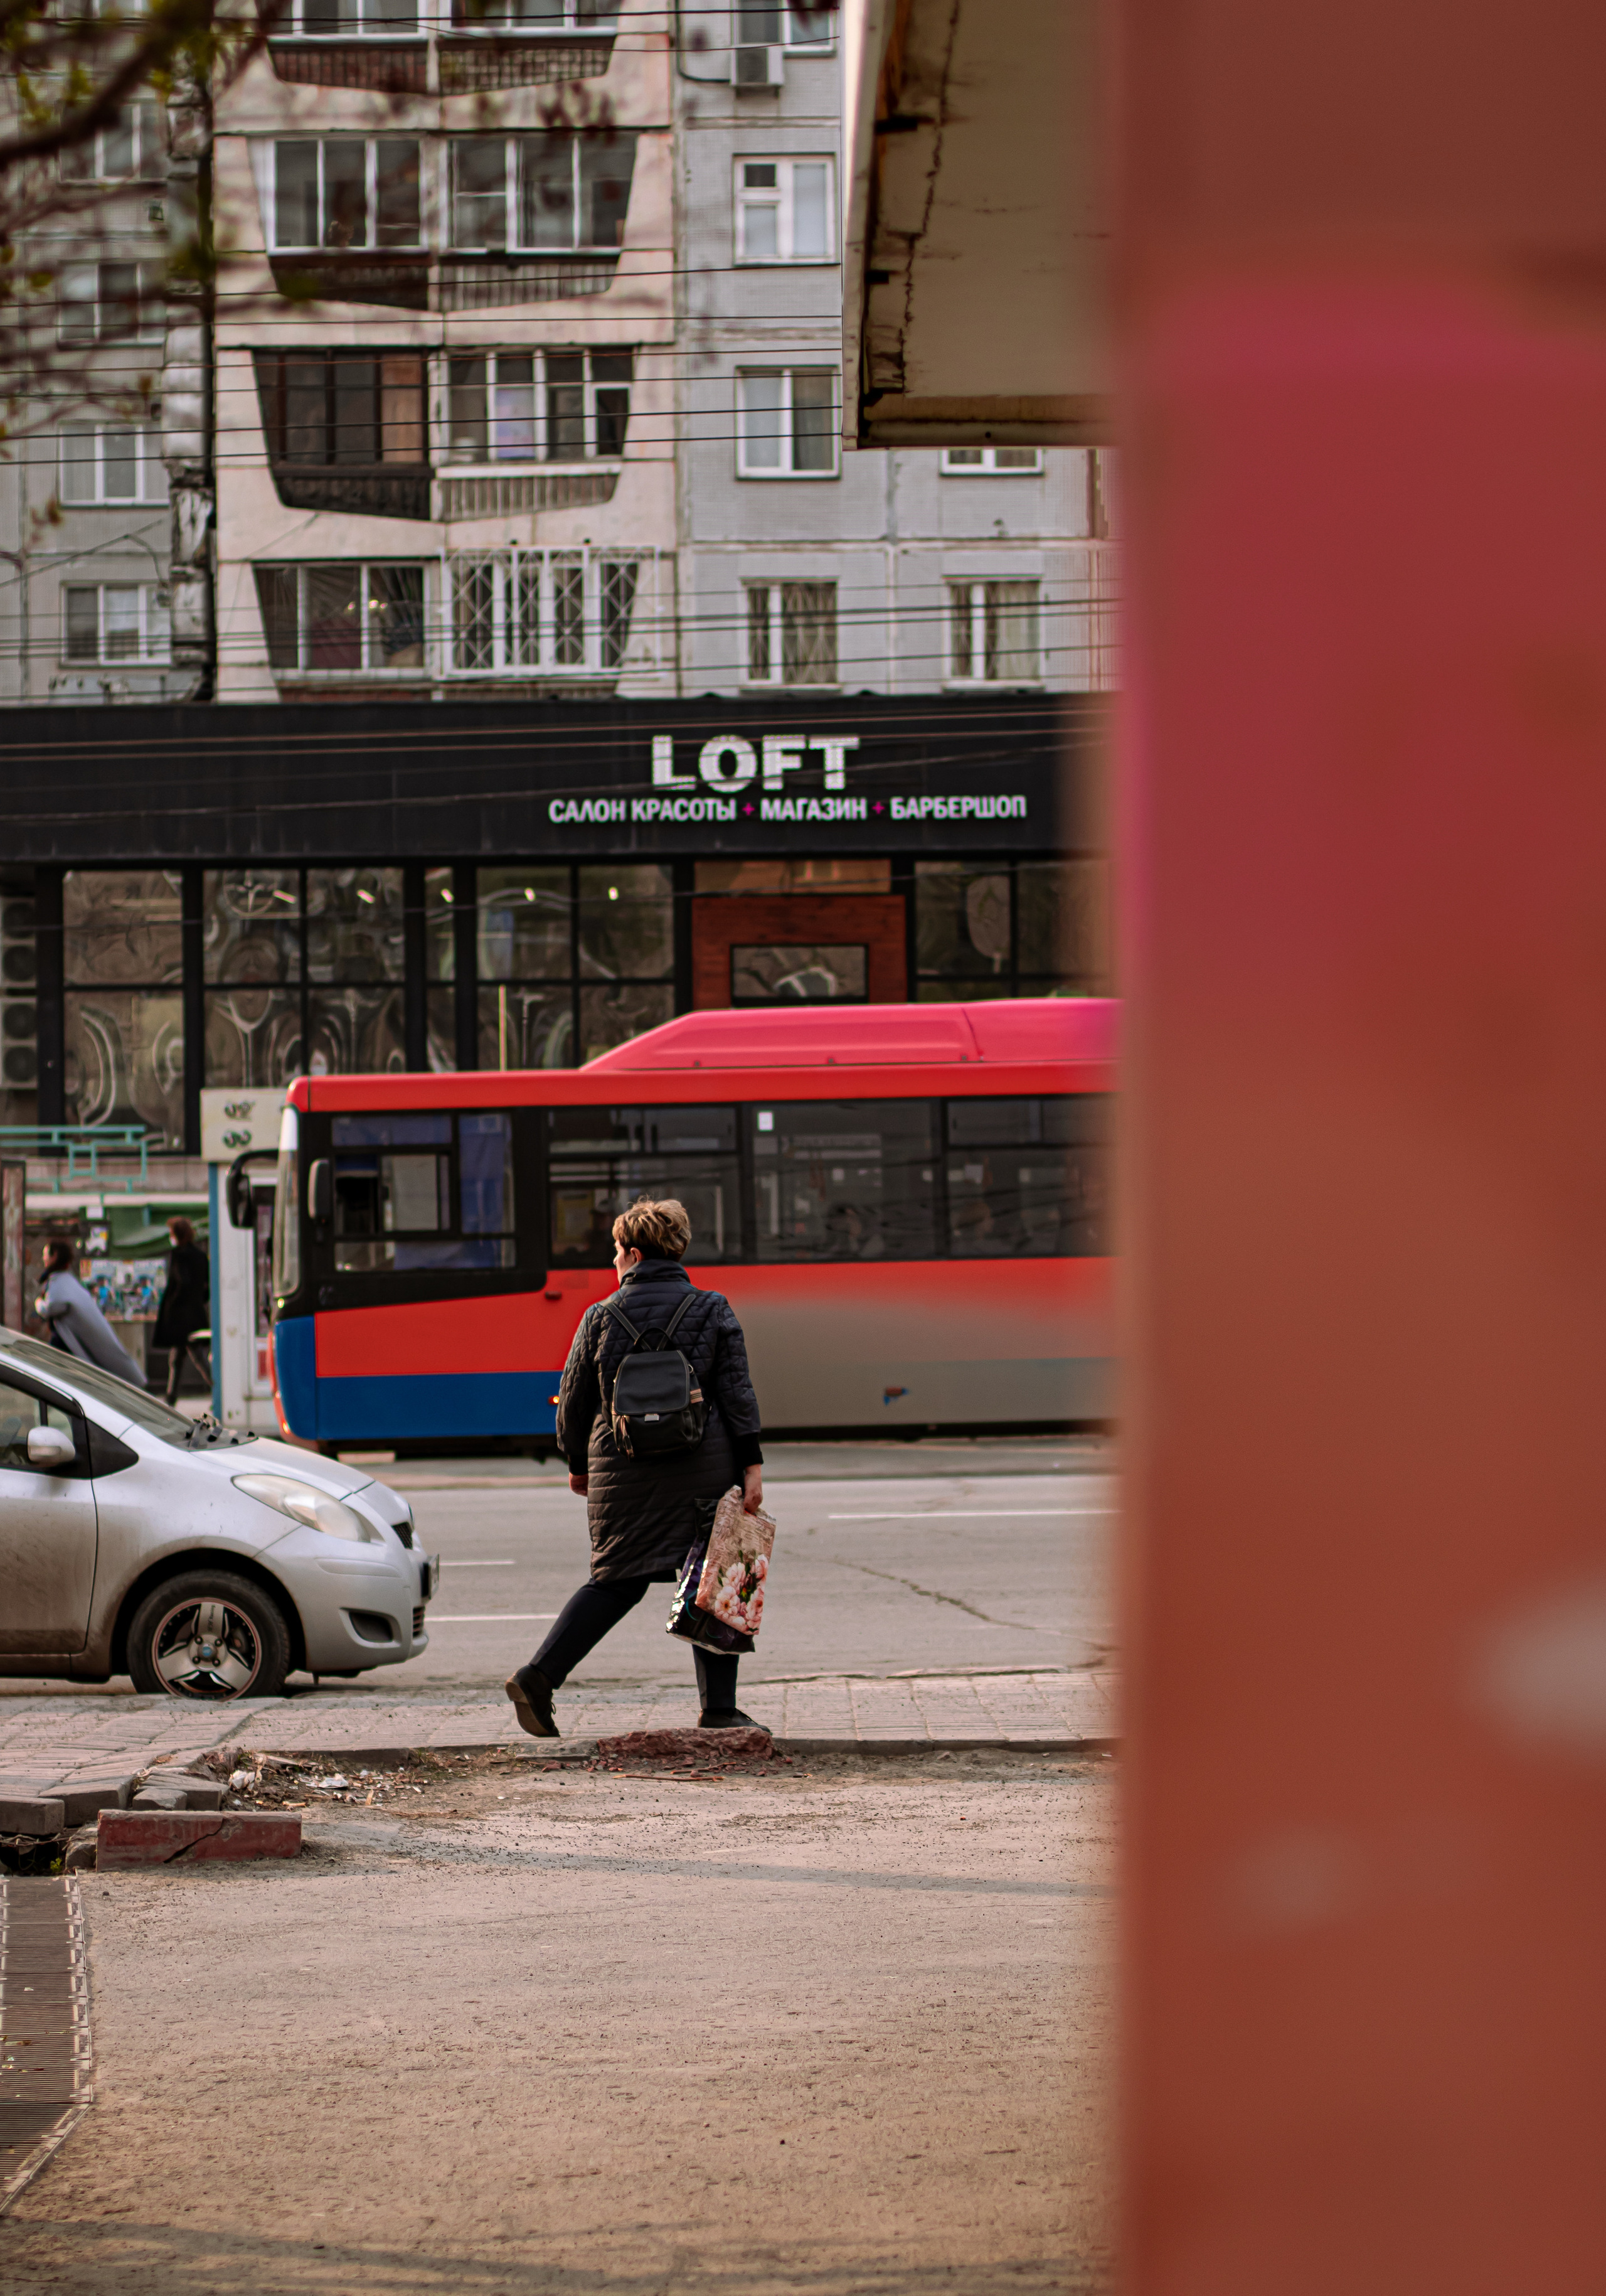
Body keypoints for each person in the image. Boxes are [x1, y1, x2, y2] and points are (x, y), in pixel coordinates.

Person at [506, 1195, 765, 1739]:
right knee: (714, 1574)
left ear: (631, 1251)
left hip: (621, 1472)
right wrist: (752, 1465)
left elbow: (573, 1402)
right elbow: (737, 1394)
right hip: (703, 1467)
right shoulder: (712, 1307)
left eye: (616, 1252)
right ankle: (719, 1706)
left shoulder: (600, 1317)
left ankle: (539, 1676)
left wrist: (579, 1465)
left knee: (615, 1581)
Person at [34, 1239, 144, 1387]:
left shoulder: (61, 1283)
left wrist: (38, 1304)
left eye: (46, 1255)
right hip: (66, 1341)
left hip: (66, 1343)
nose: (44, 1258)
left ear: (54, 1257)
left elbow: (52, 1307)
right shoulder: (68, 1281)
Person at [153, 1215, 211, 1405]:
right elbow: (206, 1287)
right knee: (184, 1356)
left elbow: (181, 1282)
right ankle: (172, 1396)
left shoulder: (178, 1256)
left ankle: (215, 1387)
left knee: (189, 1357)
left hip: (180, 1316)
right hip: (195, 1313)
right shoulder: (201, 1255)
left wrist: (174, 1303)